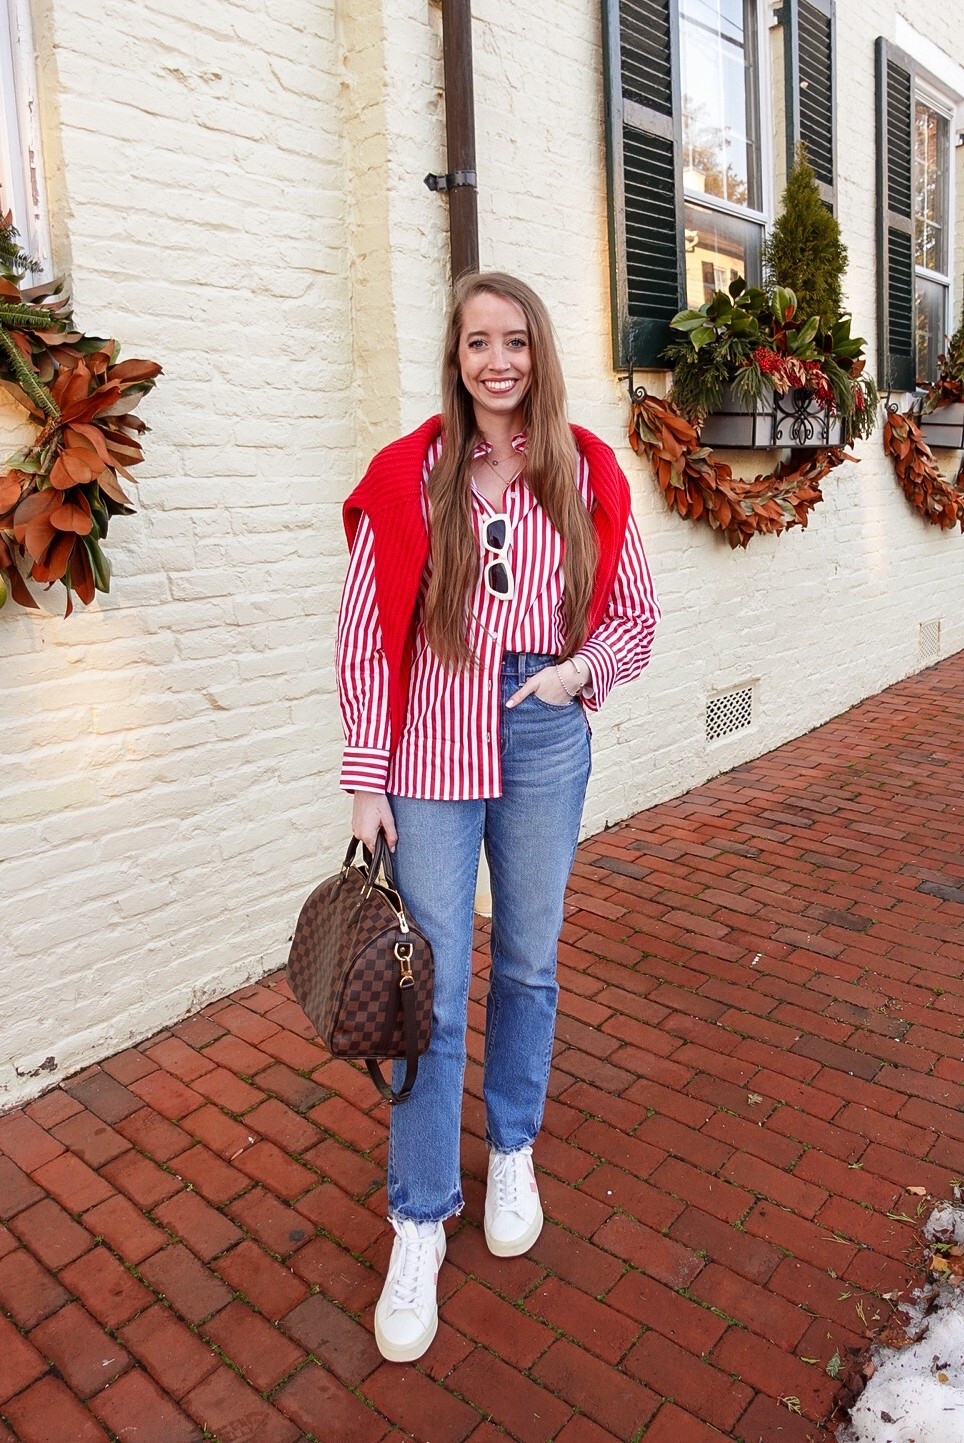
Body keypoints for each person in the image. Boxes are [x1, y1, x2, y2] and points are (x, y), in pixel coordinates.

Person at [336, 271, 660, 1363]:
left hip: (538, 731)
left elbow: (636, 618)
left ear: (538, 351)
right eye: (477, 342)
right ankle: (419, 1216)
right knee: (425, 989)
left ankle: (511, 1146)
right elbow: (357, 632)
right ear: (455, 356)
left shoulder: (585, 470)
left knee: (526, 962)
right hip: (429, 742)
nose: (497, 362)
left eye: (513, 340)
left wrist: (573, 676)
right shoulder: (410, 474)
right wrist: (364, 773)